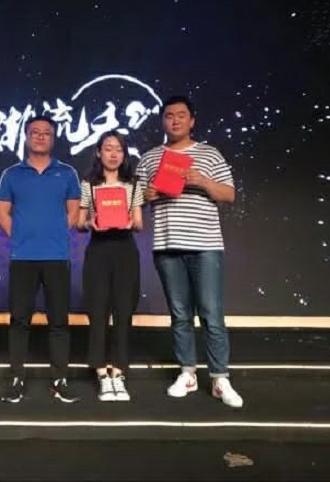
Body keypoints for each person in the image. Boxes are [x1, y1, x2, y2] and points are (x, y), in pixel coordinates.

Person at [136, 95, 243, 408]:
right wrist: (147, 195)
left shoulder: (209, 154)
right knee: (180, 314)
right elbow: (135, 200)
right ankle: (187, 373)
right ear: (163, 121)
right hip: (167, 246)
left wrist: (203, 181)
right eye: (169, 115)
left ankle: (220, 378)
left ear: (192, 120)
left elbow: (229, 194)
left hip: (205, 245)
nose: (175, 120)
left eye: (181, 115)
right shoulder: (150, 158)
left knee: (211, 313)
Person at [0, 115, 81, 404]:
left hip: (57, 257)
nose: (41, 136)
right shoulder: (12, 174)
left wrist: (53, 234)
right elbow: (2, 213)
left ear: (53, 138)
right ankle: (16, 378)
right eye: (35, 132)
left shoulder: (67, 173)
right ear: (26, 136)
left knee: (58, 321)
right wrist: (21, 237)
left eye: (46, 133)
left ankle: (60, 379)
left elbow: (73, 213)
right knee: (19, 320)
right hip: (23, 257)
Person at [77, 130, 143, 402]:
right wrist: (89, 223)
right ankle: (102, 373)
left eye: (119, 149)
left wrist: (129, 222)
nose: (113, 154)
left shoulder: (133, 183)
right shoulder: (89, 183)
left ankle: (119, 372)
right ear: (98, 152)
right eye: (108, 148)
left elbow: (139, 223)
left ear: (124, 154)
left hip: (125, 249)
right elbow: (79, 222)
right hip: (99, 249)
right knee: (98, 310)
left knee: (124, 311)